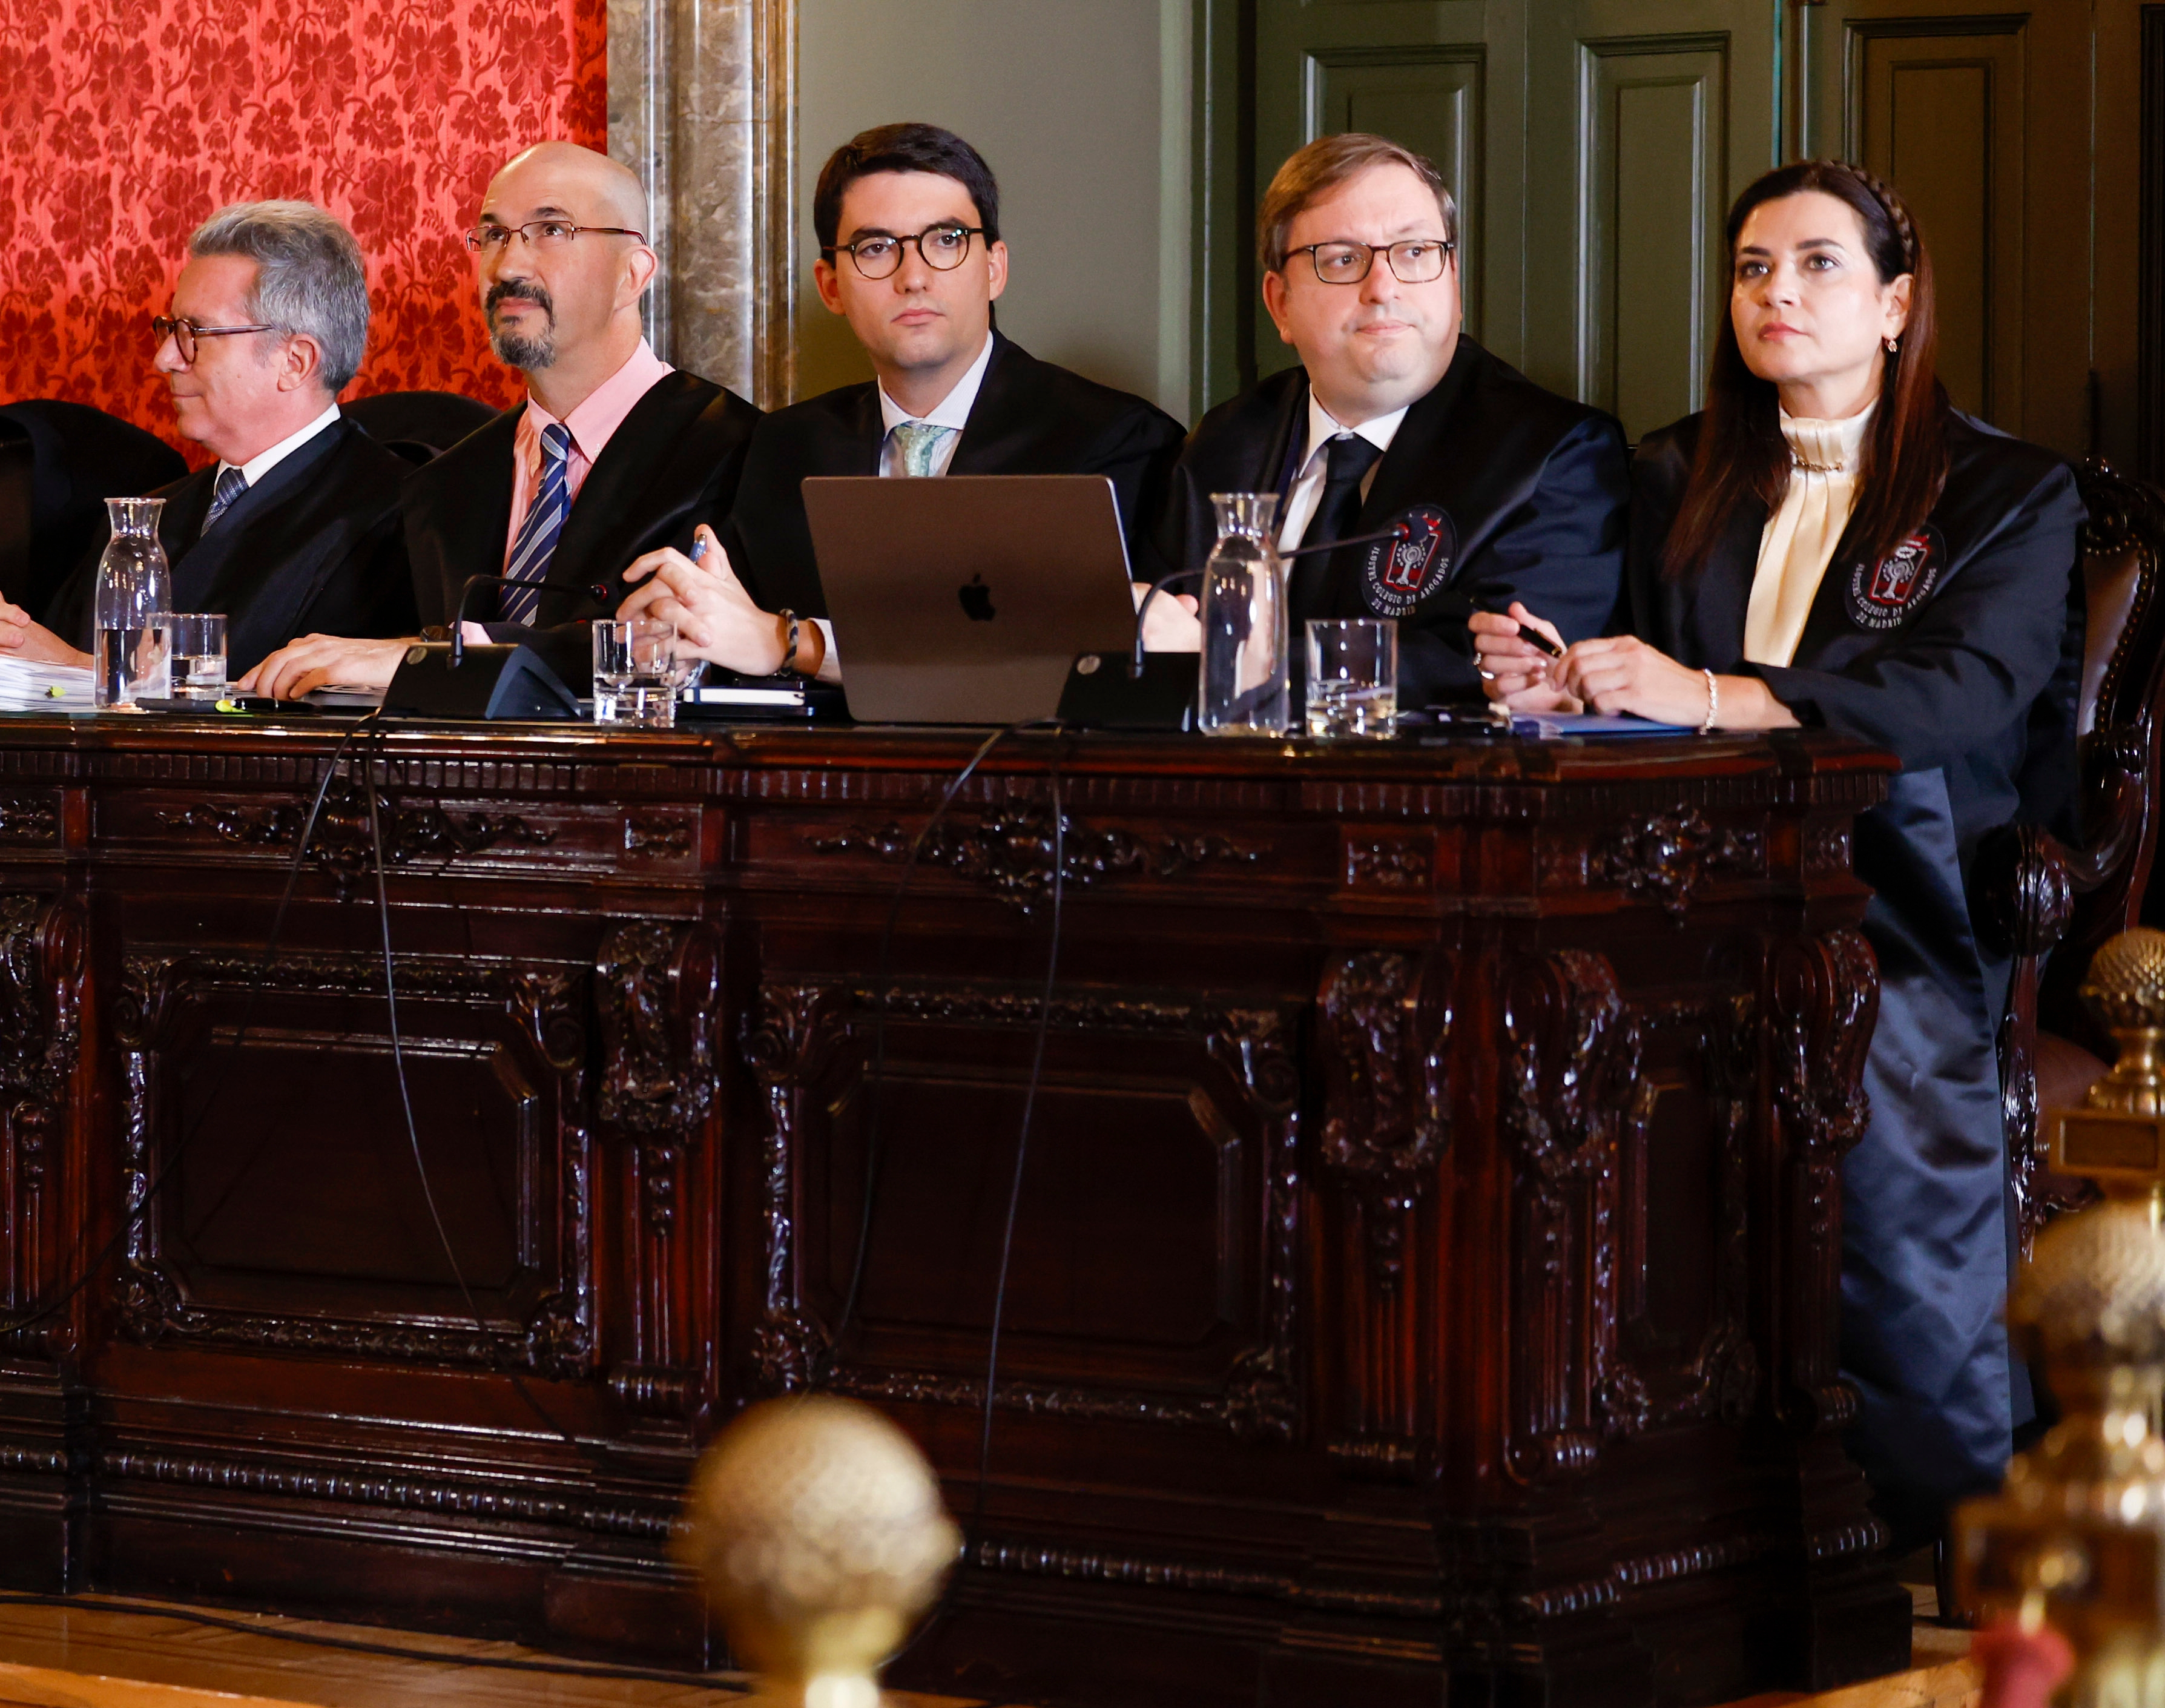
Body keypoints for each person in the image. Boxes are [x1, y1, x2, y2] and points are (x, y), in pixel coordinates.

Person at [1474, 160, 2083, 1554]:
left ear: (1894, 305)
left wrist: (1714, 693)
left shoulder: (2004, 488)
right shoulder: (1680, 468)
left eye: (1816, 265)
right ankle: (1638, 1485)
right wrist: (1565, 680)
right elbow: (1638, 675)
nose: (1778, 294)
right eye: (1753, 268)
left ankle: (1923, 1509)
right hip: (1688, 869)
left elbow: (1959, 698)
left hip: (1908, 884)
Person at [642, 122, 1184, 681]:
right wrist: (680, 624)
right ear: (830, 286)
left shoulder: (1114, 440)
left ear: (995, 267)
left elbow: (1075, 656)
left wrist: (790, 641)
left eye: (946, 241)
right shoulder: (782, 449)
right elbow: (725, 634)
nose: (915, 277)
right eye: (876, 249)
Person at [240, 141, 758, 699]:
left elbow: (679, 648)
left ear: (633, 274)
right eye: (492, 235)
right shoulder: (445, 483)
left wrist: (433, 657)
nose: (507, 266)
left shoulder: (737, 449)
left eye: (552, 230)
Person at [1153, 134, 1627, 703]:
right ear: (1280, 303)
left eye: (1415, 253)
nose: (1383, 288)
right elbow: (1165, 620)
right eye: (1343, 260)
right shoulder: (1224, 443)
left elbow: (1480, 673)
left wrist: (1229, 660)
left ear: (1453, 280)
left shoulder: (1554, 453)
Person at [0, 201, 412, 674]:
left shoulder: (394, 515)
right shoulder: (143, 519)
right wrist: (12, 648)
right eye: (170, 330)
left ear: (295, 362)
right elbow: (56, 655)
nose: (165, 359)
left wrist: (67, 668)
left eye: (195, 333)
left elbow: (293, 700)